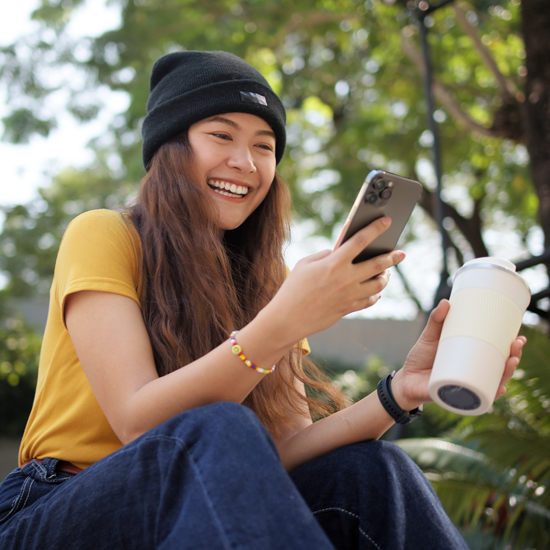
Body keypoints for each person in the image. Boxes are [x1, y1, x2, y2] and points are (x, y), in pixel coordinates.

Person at [0, 51, 525, 550]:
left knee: (371, 470)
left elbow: (287, 451)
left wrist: (401, 393)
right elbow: (139, 424)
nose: (244, 161)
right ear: (170, 148)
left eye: (264, 146)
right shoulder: (105, 234)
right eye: (220, 135)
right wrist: (284, 320)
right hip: (59, 504)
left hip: (213, 501)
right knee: (219, 426)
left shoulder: (268, 284)